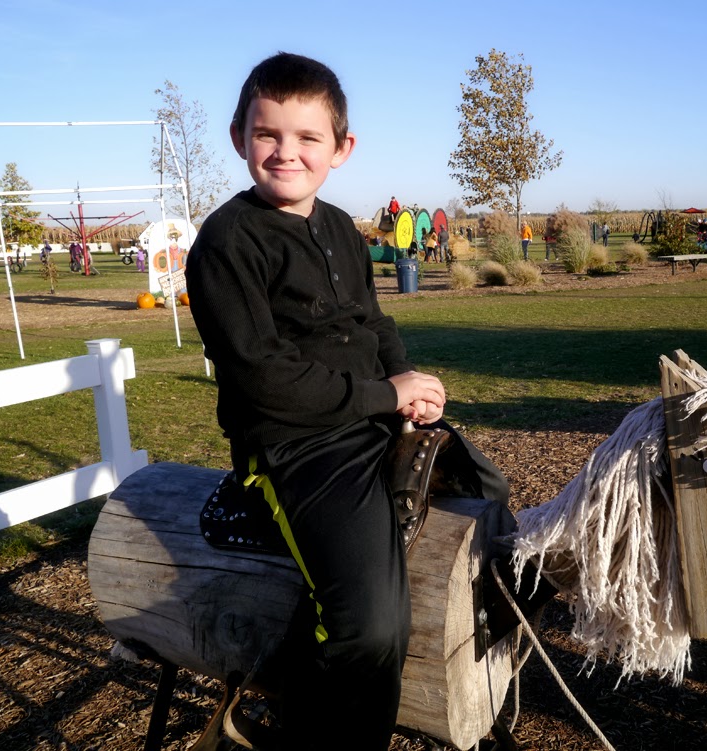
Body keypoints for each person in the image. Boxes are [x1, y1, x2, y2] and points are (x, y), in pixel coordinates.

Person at [184, 52, 508, 750]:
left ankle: (485, 678)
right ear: (239, 137)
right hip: (297, 446)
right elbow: (261, 377)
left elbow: (373, 323)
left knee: (493, 499)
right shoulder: (227, 243)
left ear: (340, 147)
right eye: (268, 134)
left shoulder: (339, 228)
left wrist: (407, 384)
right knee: (370, 626)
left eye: (307, 137)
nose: (286, 152)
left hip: (371, 418)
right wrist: (383, 393)